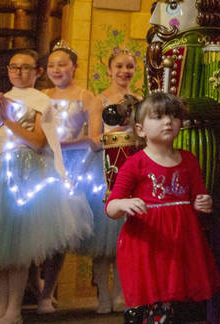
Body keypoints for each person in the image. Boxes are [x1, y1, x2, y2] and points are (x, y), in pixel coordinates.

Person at [106, 92, 219, 323]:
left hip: (182, 245)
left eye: (174, 116)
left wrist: (203, 203)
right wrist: (125, 204)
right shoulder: (135, 163)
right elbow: (111, 206)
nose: (168, 122)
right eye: (158, 116)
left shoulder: (189, 160)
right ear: (140, 129)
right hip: (148, 246)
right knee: (151, 305)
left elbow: (199, 200)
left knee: (180, 306)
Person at [0, 50, 91, 324]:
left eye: (26, 68)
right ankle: (1, 304)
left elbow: (39, 141)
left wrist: (9, 121)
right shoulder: (3, 99)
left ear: (37, 72)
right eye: (14, 67)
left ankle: (14, 308)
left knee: (17, 247)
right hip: (2, 172)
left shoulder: (41, 101)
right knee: (1, 247)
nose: (19, 72)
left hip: (26, 173)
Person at [36, 42, 106, 315]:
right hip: (40, 163)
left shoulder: (86, 96)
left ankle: (46, 293)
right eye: (52, 65)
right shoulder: (41, 95)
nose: (56, 69)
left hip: (70, 166)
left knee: (58, 233)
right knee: (31, 229)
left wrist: (65, 143)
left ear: (74, 67)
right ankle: (35, 284)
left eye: (62, 64)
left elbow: (96, 137)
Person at [90, 48, 140, 312]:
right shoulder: (99, 100)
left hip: (132, 169)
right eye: (119, 66)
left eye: (129, 67)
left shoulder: (139, 99)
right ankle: (102, 296)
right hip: (105, 169)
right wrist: (116, 132)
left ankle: (122, 294)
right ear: (109, 70)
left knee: (126, 236)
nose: (124, 71)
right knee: (102, 241)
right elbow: (92, 136)